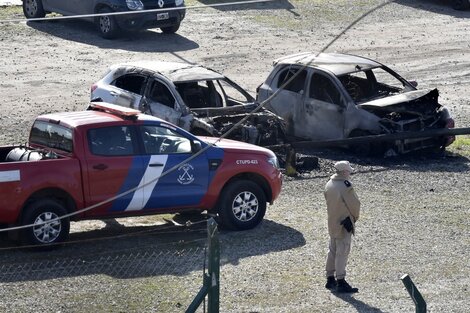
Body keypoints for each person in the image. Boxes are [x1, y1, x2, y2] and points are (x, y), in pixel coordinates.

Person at [324, 160, 361, 293]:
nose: (350, 173)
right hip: (344, 223)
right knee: (342, 251)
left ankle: (330, 278)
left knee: (332, 250)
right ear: (344, 172)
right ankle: (341, 280)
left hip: (332, 221)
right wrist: (354, 218)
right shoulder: (345, 186)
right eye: (348, 171)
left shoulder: (329, 184)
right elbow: (355, 204)